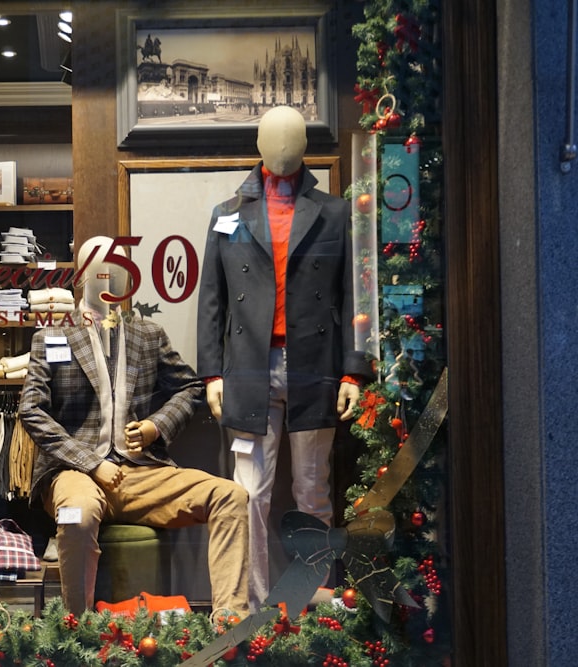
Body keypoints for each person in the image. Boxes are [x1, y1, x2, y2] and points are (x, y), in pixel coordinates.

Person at [196, 106, 373, 612]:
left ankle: (309, 598)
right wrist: (212, 373)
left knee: (312, 490)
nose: (282, 147)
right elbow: (213, 300)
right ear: (258, 143)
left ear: (304, 145)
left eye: (292, 138)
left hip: (314, 365)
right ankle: (247, 606)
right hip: (248, 369)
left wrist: (352, 371)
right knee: (249, 494)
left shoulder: (335, 212)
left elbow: (355, 297)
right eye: (274, 138)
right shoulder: (226, 214)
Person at [20, 236, 250, 615]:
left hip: (141, 475)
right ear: (81, 276)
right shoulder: (52, 337)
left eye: (119, 267)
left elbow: (191, 389)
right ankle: (76, 630)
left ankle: (230, 622)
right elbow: (31, 411)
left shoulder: (148, 334)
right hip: (74, 475)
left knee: (231, 497)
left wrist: (155, 427)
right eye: (99, 266)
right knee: (76, 517)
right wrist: (90, 462)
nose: (110, 275)